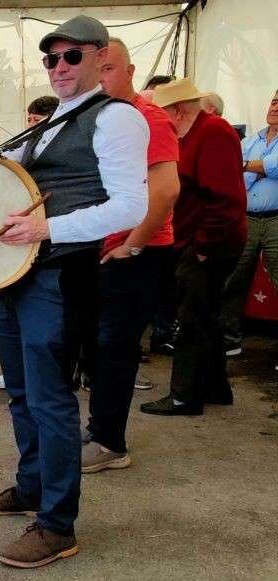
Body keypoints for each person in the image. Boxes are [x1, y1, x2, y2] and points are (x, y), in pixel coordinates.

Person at [0, 15, 148, 568]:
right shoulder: (51, 122)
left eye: (71, 56)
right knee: (21, 393)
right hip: (20, 275)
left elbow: (130, 206)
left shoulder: (117, 119)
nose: (60, 67)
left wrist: (47, 229)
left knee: (51, 400)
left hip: (63, 274)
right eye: (51, 59)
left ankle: (57, 524)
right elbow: (5, 173)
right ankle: (29, 487)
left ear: (100, 57)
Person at [80, 37, 180, 473]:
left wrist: (132, 242)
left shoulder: (147, 117)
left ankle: (109, 444)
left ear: (130, 70)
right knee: (99, 346)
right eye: (95, 68)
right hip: (103, 249)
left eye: (109, 68)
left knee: (114, 347)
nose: (100, 77)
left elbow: (167, 190)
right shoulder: (96, 116)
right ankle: (98, 430)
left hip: (136, 252)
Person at [140, 78, 247, 416]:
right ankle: (216, 388)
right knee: (205, 316)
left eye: (161, 112)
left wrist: (203, 245)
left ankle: (184, 396)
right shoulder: (192, 133)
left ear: (178, 110)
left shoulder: (213, 132)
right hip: (198, 241)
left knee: (191, 320)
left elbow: (226, 197)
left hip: (209, 244)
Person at [0, 96, 60, 391]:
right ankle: (16, 371)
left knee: (43, 333)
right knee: (11, 323)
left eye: (37, 121)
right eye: (29, 120)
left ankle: (46, 376)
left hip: (52, 254)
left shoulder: (60, 154)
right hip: (20, 249)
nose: (31, 126)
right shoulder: (26, 146)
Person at [220, 89, 278, 356]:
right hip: (247, 218)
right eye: (274, 100)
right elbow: (235, 168)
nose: (275, 106)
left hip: (276, 220)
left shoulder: (248, 147)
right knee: (235, 277)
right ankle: (228, 338)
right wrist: (253, 165)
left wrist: (249, 165)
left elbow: (272, 166)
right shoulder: (251, 140)